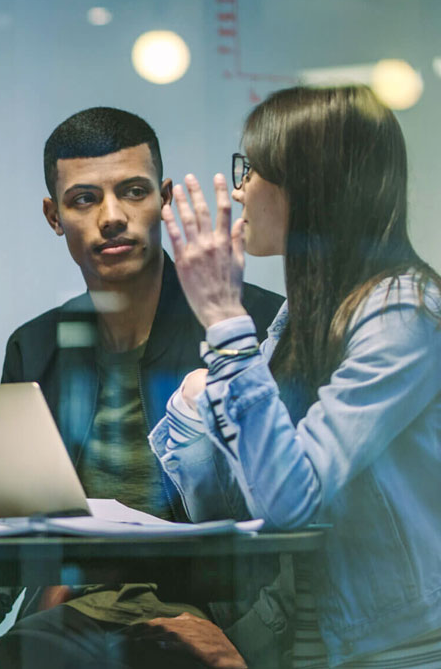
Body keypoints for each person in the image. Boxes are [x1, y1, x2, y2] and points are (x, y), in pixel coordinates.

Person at [152, 84, 441, 667]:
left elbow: (287, 502)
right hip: (311, 639)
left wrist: (226, 322)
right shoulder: (304, 314)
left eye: (251, 169)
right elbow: (243, 510)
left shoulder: (404, 312)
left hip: (400, 650)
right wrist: (193, 409)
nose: (237, 189)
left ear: (307, 186)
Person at [0, 107, 286, 668]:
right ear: (54, 216)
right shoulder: (32, 348)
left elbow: (305, 518)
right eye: (83, 200)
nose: (112, 217)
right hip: (71, 622)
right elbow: (15, 524)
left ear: (165, 197)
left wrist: (254, 642)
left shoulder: (253, 327)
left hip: (214, 619)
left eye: (133, 192)